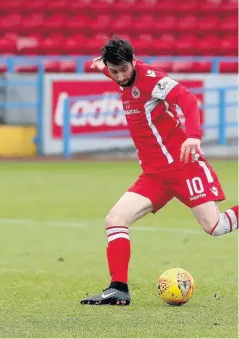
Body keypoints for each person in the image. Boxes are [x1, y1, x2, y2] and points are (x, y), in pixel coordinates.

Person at [80, 37, 238, 306]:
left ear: (133, 61)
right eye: (113, 71)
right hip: (154, 176)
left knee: (216, 226)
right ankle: (118, 288)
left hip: (184, 166)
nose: (119, 76)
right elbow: (112, 71)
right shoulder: (119, 74)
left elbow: (187, 99)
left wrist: (194, 136)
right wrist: (99, 66)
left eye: (123, 70)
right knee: (115, 219)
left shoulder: (153, 78)